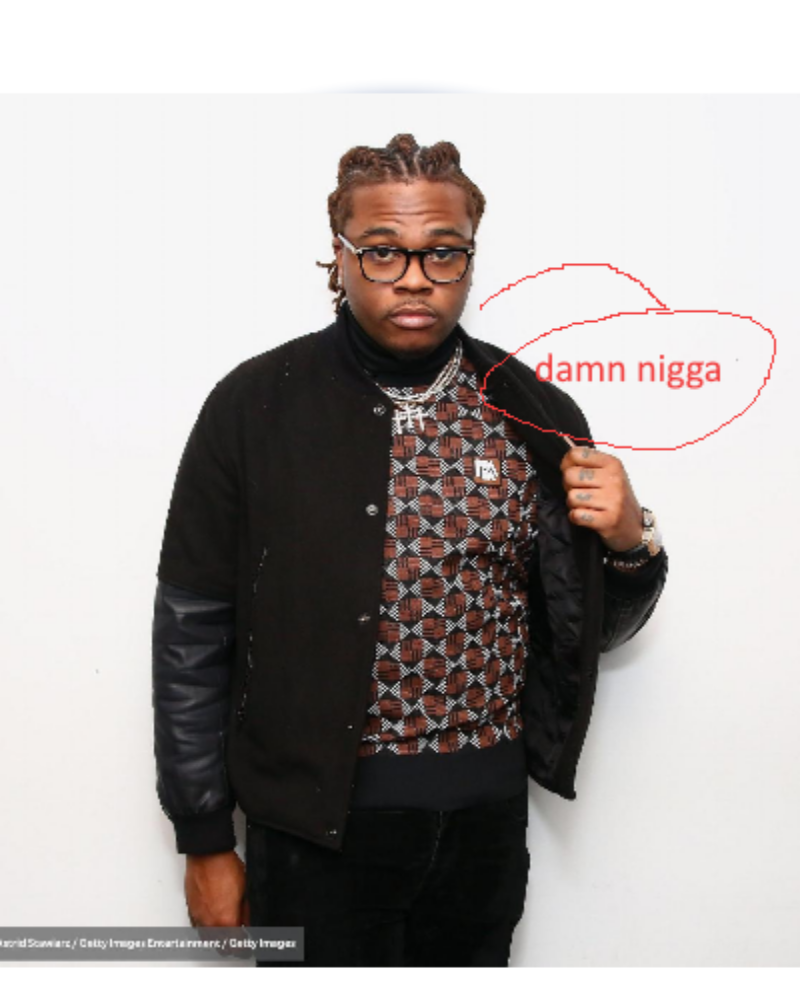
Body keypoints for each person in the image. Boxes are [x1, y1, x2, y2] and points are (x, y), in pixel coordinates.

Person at [152, 133, 668, 968]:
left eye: (443, 252)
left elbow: (585, 635)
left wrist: (630, 543)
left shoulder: (534, 413)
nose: (416, 277)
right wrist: (204, 836)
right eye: (384, 251)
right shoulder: (253, 408)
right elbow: (190, 633)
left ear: (469, 258)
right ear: (341, 254)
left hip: (483, 831)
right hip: (313, 834)